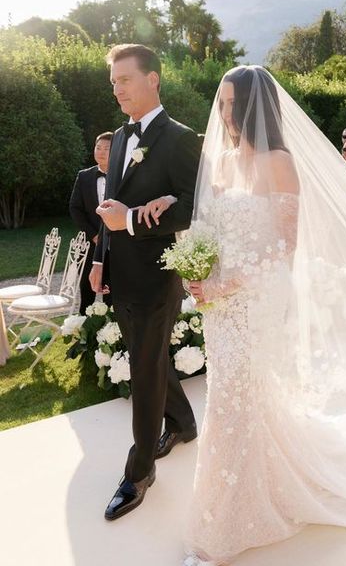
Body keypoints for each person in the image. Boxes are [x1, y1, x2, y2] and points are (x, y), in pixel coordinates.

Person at [139, 66, 346, 565]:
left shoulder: (278, 161)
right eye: (222, 101)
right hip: (218, 301)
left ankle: (224, 524)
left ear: (255, 108)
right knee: (234, 397)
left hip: (257, 297)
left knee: (237, 397)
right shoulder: (223, 160)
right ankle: (255, 487)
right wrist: (196, 262)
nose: (224, 112)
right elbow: (208, 221)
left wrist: (231, 281)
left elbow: (282, 246)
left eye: (232, 103)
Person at [89, 44, 201, 521]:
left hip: (158, 278)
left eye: (125, 80)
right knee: (149, 358)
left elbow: (193, 207)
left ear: (152, 79)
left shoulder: (181, 139)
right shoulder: (119, 138)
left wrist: (132, 220)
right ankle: (182, 422)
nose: (117, 89)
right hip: (120, 272)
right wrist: (101, 257)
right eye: (113, 82)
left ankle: (138, 473)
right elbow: (109, 206)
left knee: (144, 368)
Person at [69, 132, 114, 314]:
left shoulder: (124, 178)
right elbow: (75, 208)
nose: (101, 152)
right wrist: (94, 235)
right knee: (86, 287)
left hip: (115, 244)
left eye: (106, 148)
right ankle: (82, 328)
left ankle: (113, 332)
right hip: (91, 243)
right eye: (98, 147)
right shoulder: (84, 176)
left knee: (112, 289)